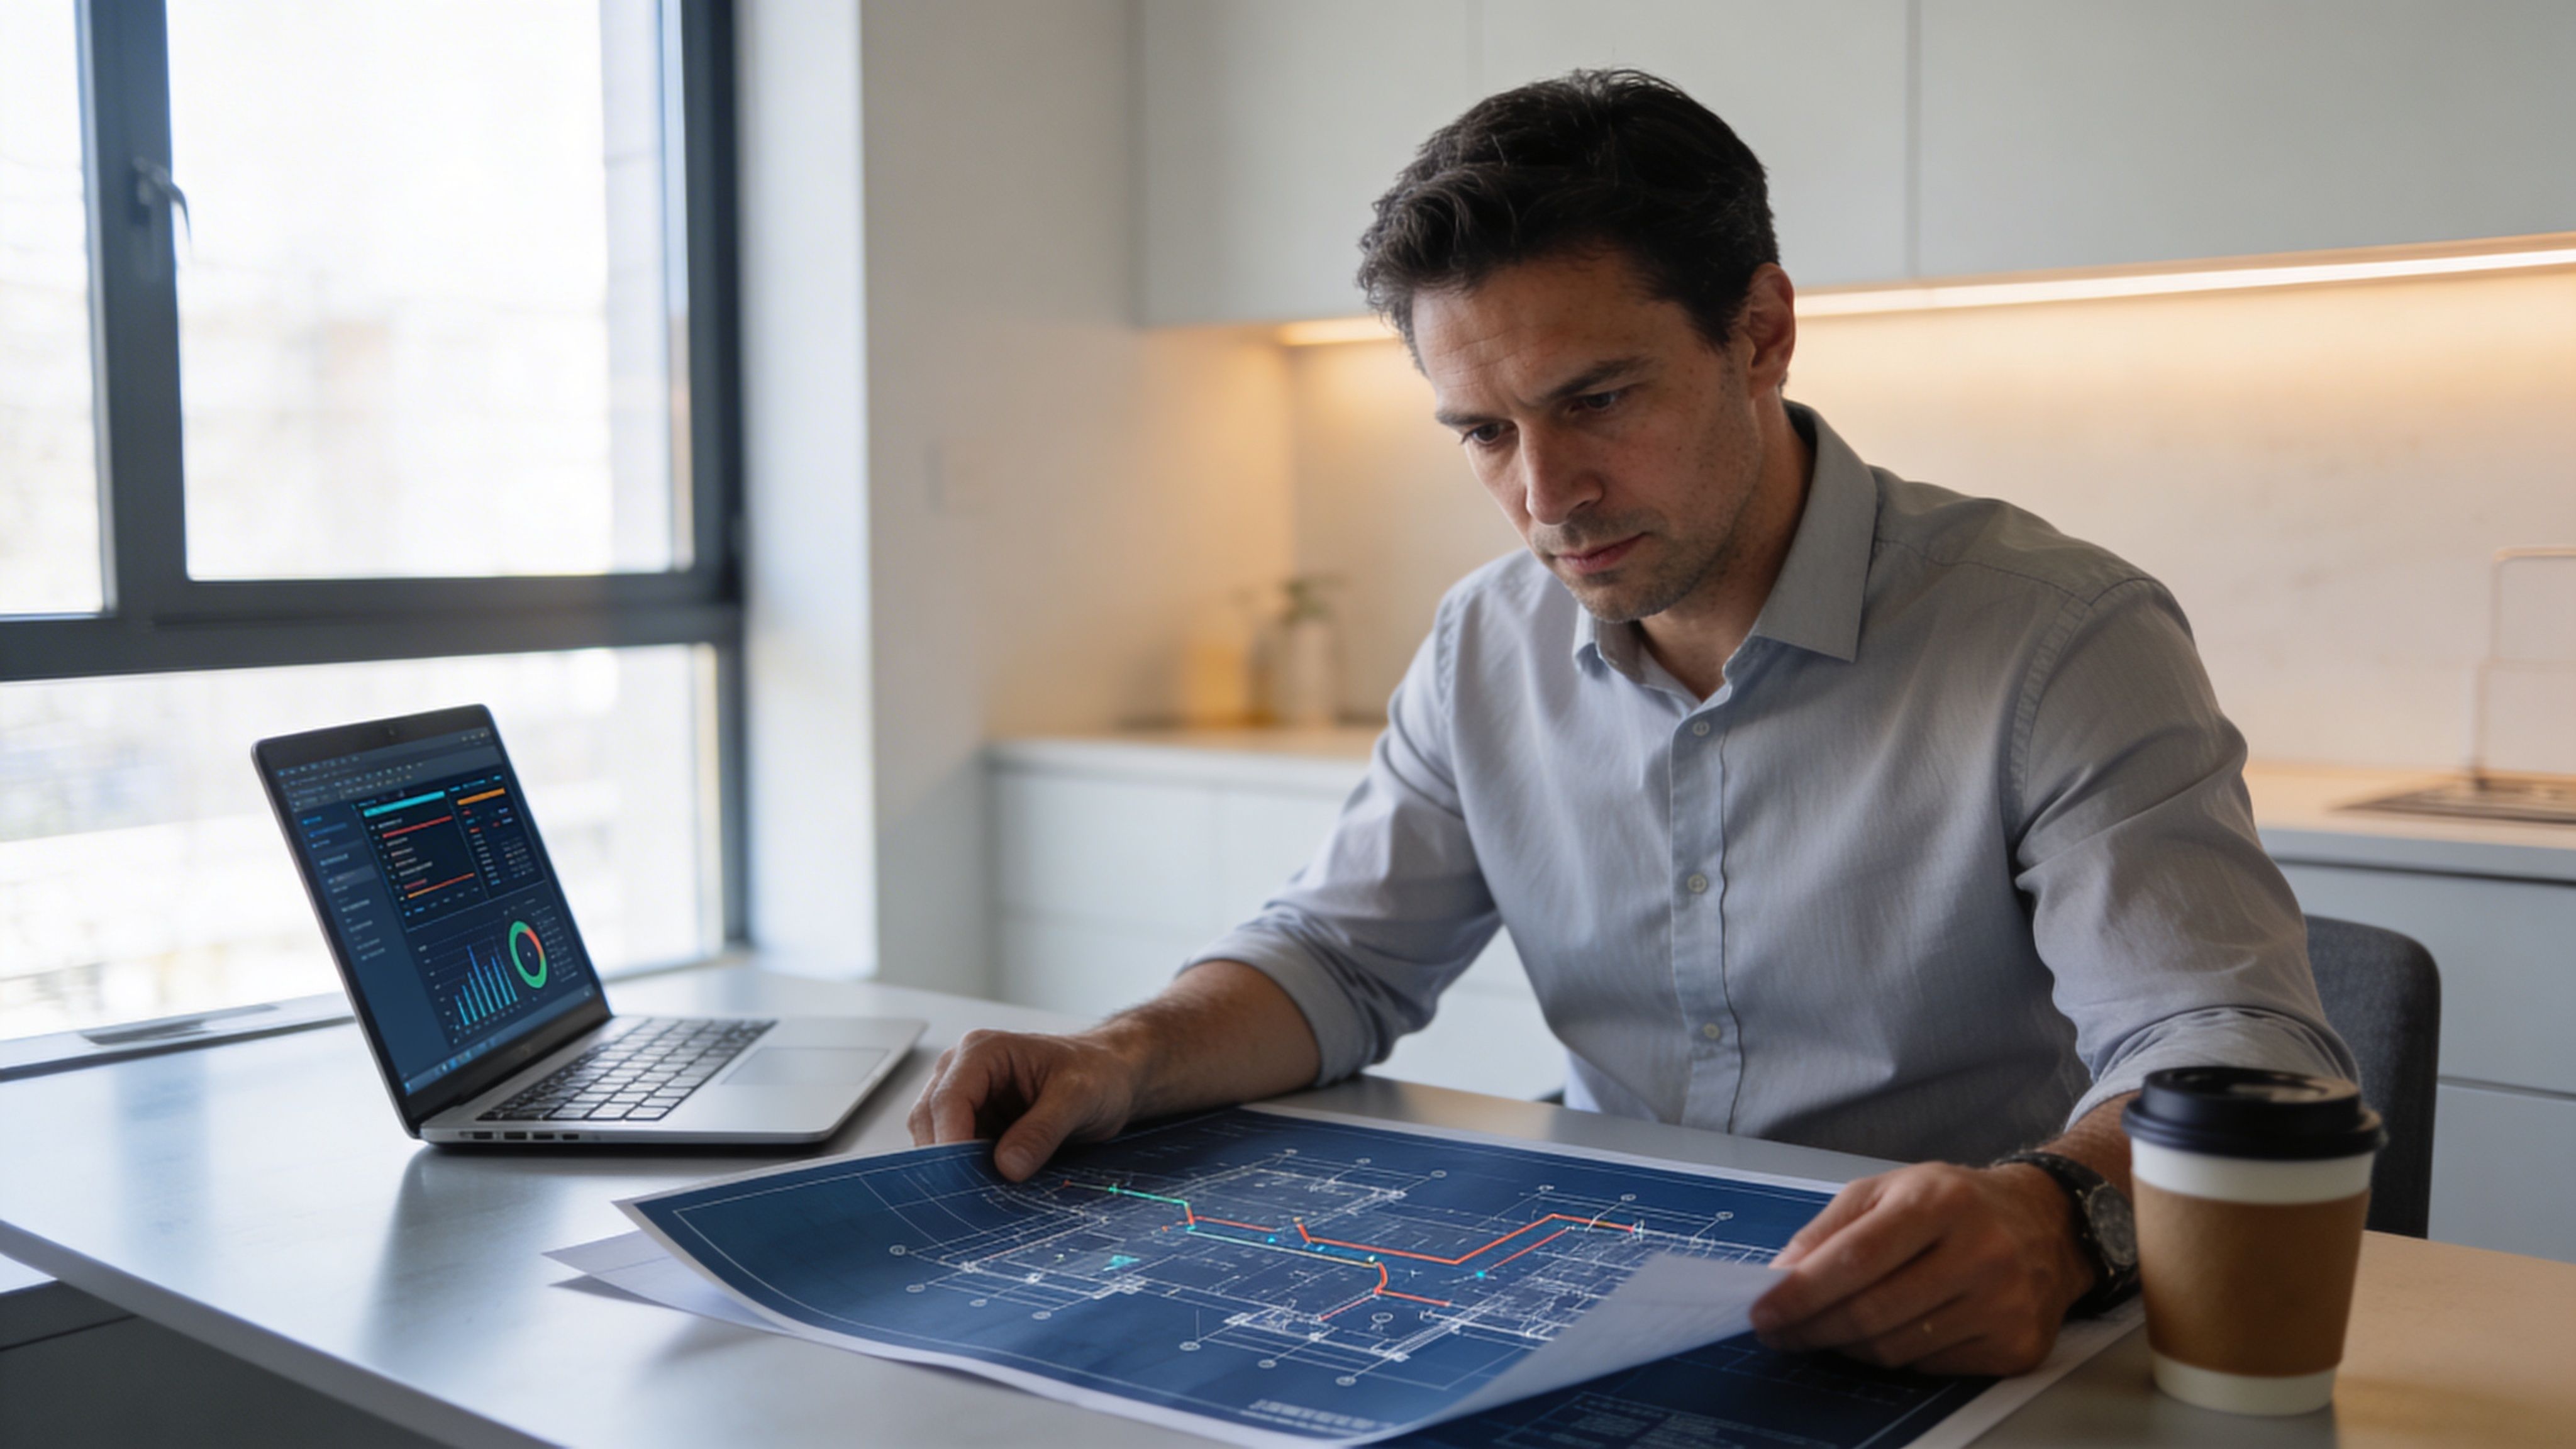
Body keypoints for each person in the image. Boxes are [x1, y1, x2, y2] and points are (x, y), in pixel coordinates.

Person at [909, 69, 2353, 1376]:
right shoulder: (1487, 640)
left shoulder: (2055, 636)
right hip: (1602, 1299)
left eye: (1594, 400)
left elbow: (2229, 1047)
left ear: (1760, 333)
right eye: (1481, 433)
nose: (1544, 496)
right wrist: (1123, 1055)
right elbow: (1336, 960)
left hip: (1960, 1323)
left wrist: (2054, 1219)